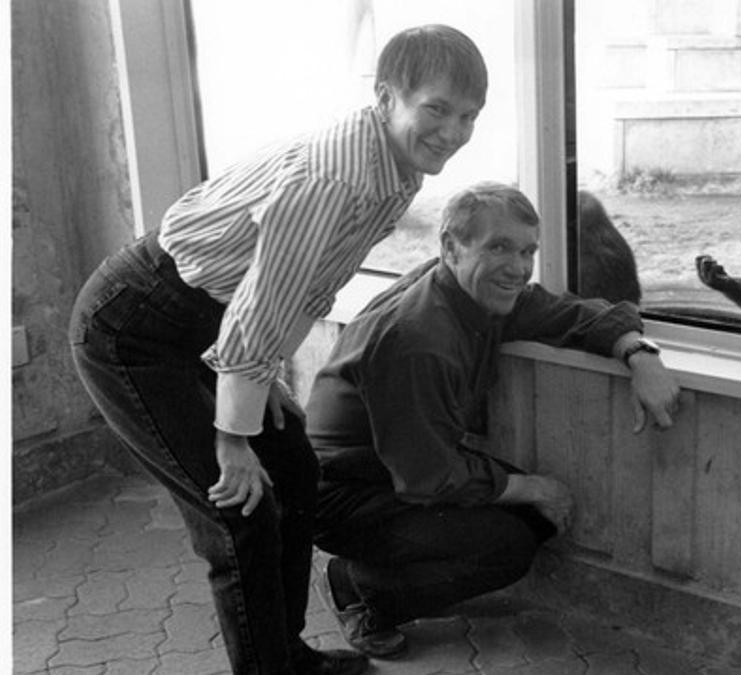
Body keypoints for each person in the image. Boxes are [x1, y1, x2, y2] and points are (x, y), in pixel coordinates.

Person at [68, 25, 487, 675]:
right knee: (238, 510)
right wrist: (232, 438)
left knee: (291, 466)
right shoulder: (338, 176)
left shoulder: (397, 166)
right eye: (436, 108)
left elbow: (306, 286)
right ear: (387, 96)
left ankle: (286, 656)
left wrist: (260, 388)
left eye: (468, 116)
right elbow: (263, 303)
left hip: (200, 321)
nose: (454, 131)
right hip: (132, 329)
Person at [306, 183, 682, 659]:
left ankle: (378, 572)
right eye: (499, 247)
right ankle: (357, 588)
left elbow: (571, 313)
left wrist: (638, 354)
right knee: (508, 548)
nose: (519, 268)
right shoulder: (420, 339)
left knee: (533, 519)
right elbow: (428, 479)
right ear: (450, 246)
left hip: (400, 465)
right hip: (344, 493)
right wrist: (537, 486)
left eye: (528, 251)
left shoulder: (477, 293)